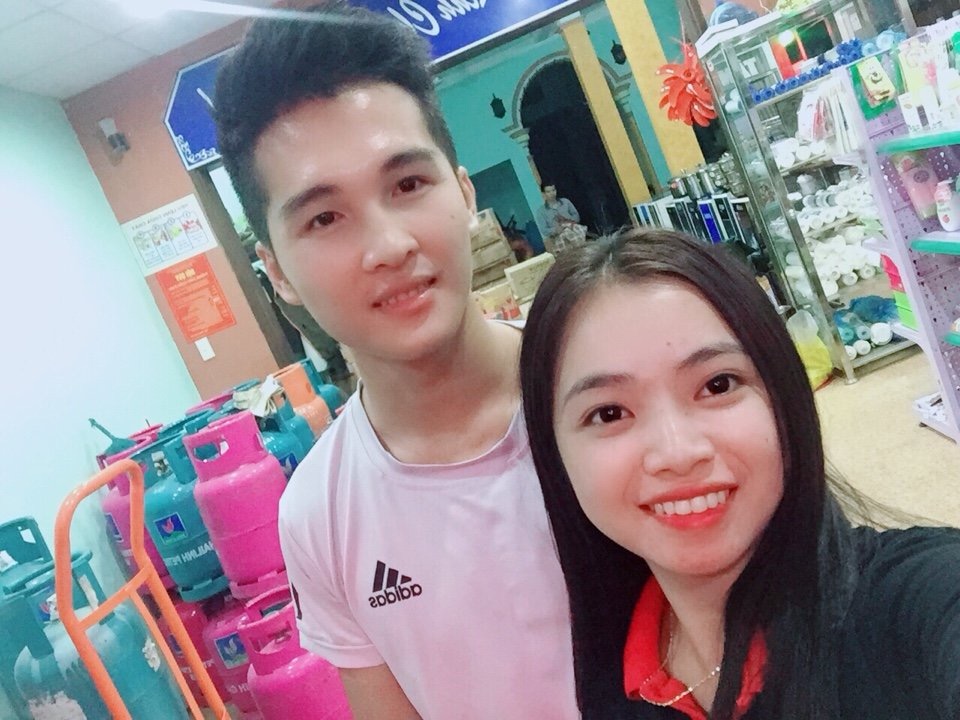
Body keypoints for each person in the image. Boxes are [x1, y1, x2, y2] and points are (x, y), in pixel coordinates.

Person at [213, 3, 577, 719]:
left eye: (408, 185)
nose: (387, 246)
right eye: (324, 217)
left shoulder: (605, 393)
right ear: (276, 271)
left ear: (464, 192)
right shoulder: (318, 514)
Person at [519, 227, 960, 720]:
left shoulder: (912, 603)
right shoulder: (604, 674)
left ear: (783, 396)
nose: (677, 453)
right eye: (608, 413)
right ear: (555, 455)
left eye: (718, 384)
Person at [535, 182, 581, 250]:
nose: (552, 193)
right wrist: (556, 230)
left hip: (574, 231)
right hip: (558, 238)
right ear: (543, 194)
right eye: (548, 192)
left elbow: (576, 216)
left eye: (553, 190)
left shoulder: (565, 202)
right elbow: (544, 230)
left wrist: (568, 222)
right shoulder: (541, 212)